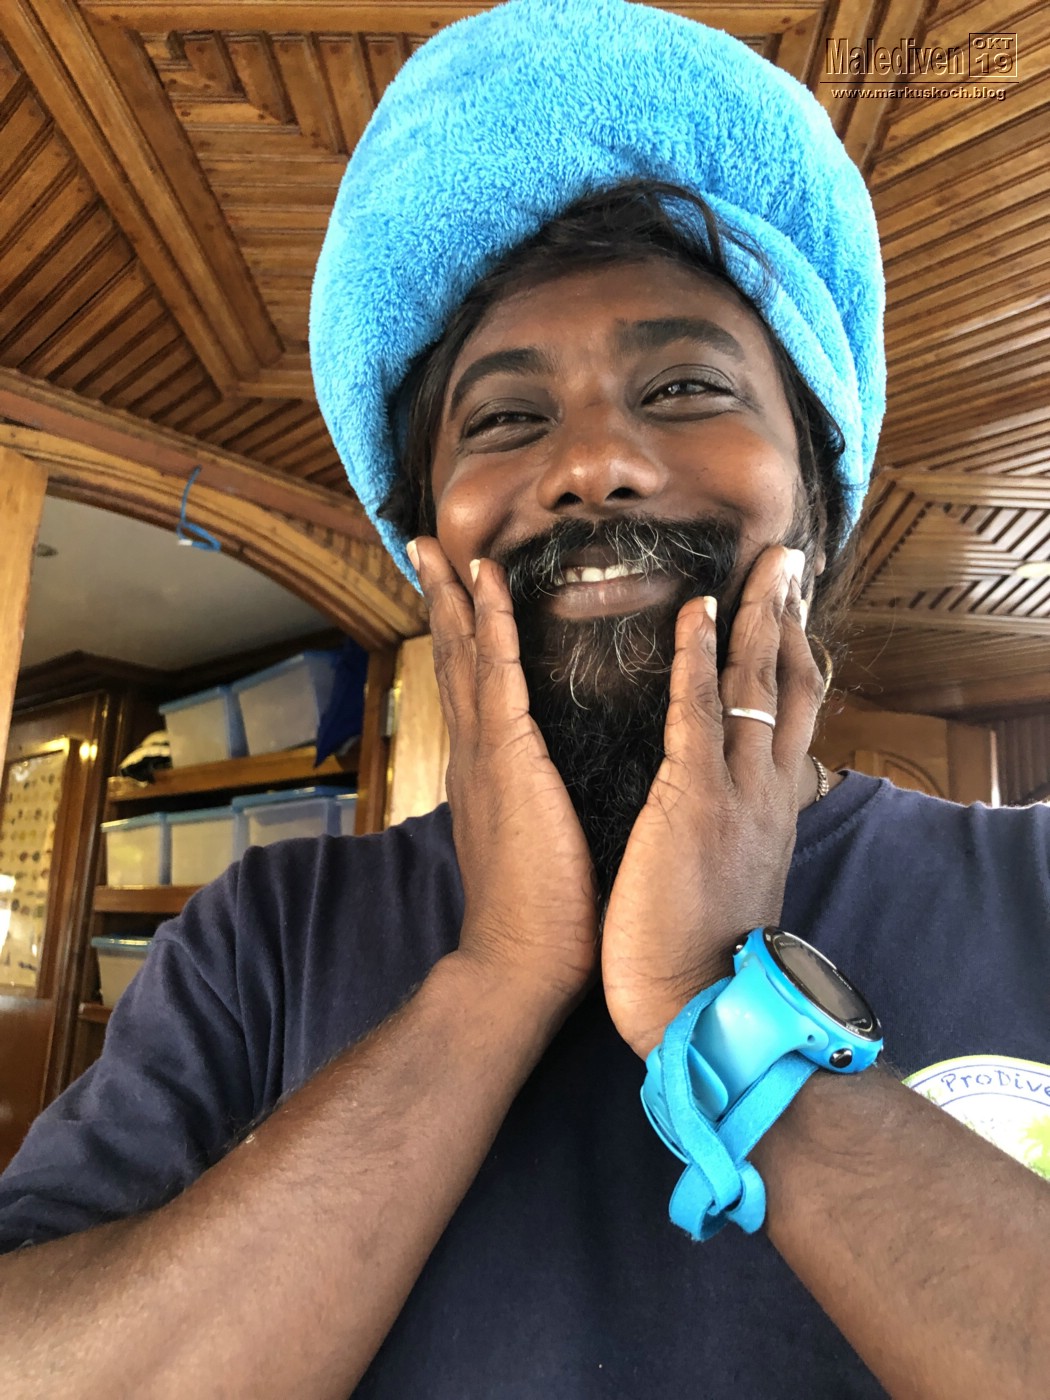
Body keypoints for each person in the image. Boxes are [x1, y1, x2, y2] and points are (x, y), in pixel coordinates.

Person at [1, 1, 1048, 1396]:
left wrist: (714, 1003)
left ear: (820, 493)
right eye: (504, 418)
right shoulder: (265, 934)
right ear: (426, 545)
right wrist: (494, 980)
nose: (593, 462)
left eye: (686, 386)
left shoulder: (1032, 887)